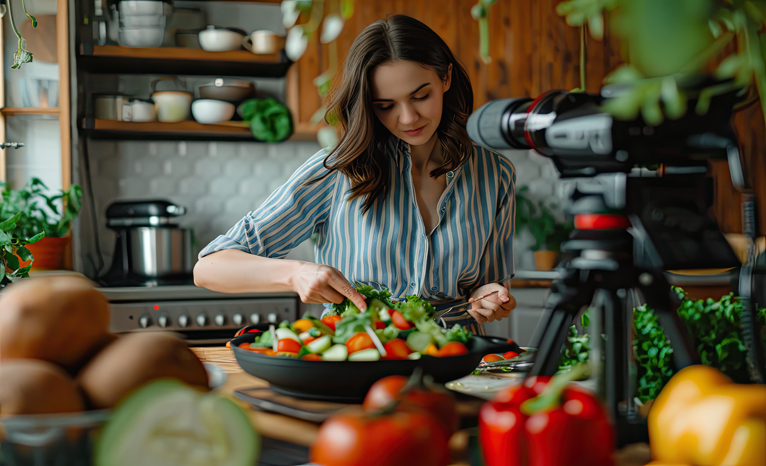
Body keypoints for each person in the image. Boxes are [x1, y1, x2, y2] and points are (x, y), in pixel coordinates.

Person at [194, 15, 517, 324]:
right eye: (385, 106)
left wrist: (490, 297)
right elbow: (209, 268)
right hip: (360, 359)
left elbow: (489, 287)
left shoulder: (496, 174)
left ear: (445, 78)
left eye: (420, 96)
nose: (407, 118)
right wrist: (295, 273)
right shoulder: (337, 170)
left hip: (460, 367)